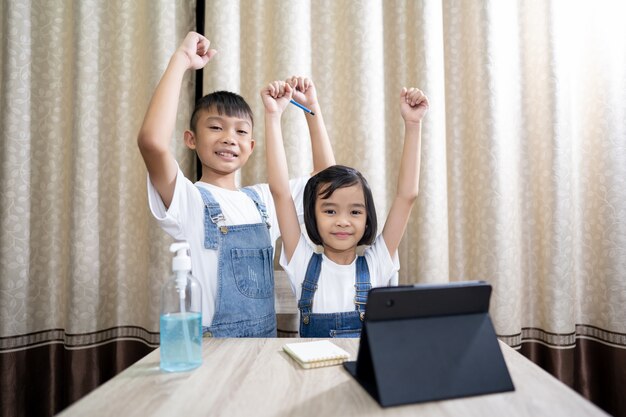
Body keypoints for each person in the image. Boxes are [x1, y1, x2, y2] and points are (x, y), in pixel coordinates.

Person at [137, 31, 334, 337]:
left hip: (262, 349)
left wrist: (311, 110)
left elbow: (328, 184)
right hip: (212, 352)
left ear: (252, 145)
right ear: (191, 139)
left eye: (241, 132)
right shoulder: (188, 198)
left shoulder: (265, 200)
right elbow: (151, 142)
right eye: (215, 127)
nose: (229, 137)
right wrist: (180, 61)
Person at [261, 80, 429, 337]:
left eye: (355, 212)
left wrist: (413, 124)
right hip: (314, 376)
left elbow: (407, 195)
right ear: (312, 217)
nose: (343, 221)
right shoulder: (302, 263)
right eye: (330, 211)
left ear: (368, 218)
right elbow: (281, 193)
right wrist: (273, 117)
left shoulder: (378, 263)